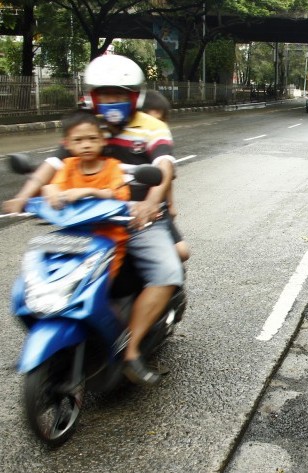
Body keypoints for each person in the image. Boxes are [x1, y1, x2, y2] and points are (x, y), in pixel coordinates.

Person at [2, 54, 183, 386]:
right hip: (85, 220)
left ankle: (130, 351)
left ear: (134, 96)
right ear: (92, 96)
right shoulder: (86, 127)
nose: (111, 101)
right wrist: (26, 194)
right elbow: (55, 164)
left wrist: (150, 205)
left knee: (167, 272)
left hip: (137, 218)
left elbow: (165, 169)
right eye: (105, 94)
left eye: (119, 94)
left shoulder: (152, 127)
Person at [42, 110, 131, 277]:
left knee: (98, 281)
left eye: (92, 139)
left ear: (103, 141)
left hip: (109, 239)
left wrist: (89, 191)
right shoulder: (68, 165)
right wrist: (50, 190)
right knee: (39, 254)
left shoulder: (112, 166)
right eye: (78, 140)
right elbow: (55, 186)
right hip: (76, 236)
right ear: (67, 144)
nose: (86, 145)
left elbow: (120, 194)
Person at [141, 90, 190, 263]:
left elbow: (168, 179)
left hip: (158, 210)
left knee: (182, 252)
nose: (156, 125)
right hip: (131, 211)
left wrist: (170, 206)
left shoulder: (160, 147)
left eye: (160, 121)